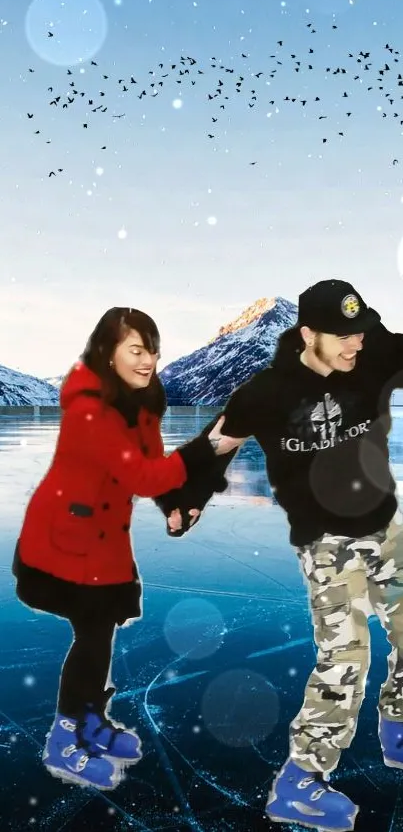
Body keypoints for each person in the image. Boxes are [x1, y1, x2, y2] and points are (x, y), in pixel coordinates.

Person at [158, 280, 403, 832]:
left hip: (387, 525)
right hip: (326, 543)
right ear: (307, 334)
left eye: (359, 332)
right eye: (342, 336)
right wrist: (188, 497)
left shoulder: (373, 353)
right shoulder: (265, 393)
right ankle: (300, 784)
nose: (355, 346)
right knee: (345, 661)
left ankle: (400, 724)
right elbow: (216, 445)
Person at [12, 307, 242, 792]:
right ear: (106, 352)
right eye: (136, 350)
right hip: (63, 538)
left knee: (102, 630)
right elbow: (138, 473)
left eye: (152, 351)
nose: (148, 361)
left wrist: (174, 505)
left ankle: (90, 720)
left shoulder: (141, 401)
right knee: (92, 635)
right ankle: (65, 736)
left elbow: (152, 465)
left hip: (103, 536)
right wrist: (207, 448)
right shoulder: (89, 407)